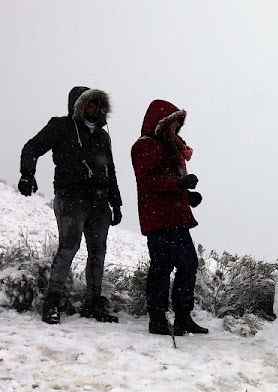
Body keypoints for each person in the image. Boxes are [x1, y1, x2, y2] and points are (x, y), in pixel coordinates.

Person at [19, 86, 122, 324]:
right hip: (70, 198)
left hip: (99, 201)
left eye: (96, 104)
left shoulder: (102, 136)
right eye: (88, 104)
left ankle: (93, 303)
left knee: (98, 252)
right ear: (77, 105)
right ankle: (51, 302)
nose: (93, 108)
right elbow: (32, 147)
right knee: (68, 248)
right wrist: (27, 173)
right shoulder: (61, 127)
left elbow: (110, 171)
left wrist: (116, 204)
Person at [132, 99, 208, 336]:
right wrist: (179, 183)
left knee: (189, 264)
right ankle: (157, 319)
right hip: (158, 218)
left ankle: (183, 317)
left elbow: (167, 182)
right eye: (174, 123)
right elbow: (148, 181)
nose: (177, 128)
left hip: (176, 215)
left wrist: (187, 196)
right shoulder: (144, 146)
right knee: (162, 266)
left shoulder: (171, 147)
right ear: (161, 122)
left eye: (178, 124)